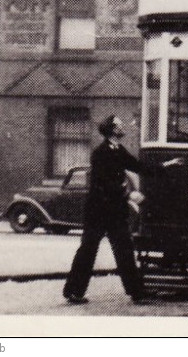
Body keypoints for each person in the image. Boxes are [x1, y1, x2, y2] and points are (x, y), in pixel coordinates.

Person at [62, 115, 181, 305]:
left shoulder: (119, 150)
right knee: (88, 251)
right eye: (118, 124)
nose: (122, 127)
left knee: (125, 250)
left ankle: (137, 292)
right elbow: (103, 184)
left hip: (115, 213)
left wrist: (166, 165)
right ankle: (73, 291)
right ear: (111, 130)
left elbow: (138, 166)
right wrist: (128, 195)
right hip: (98, 213)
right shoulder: (100, 153)